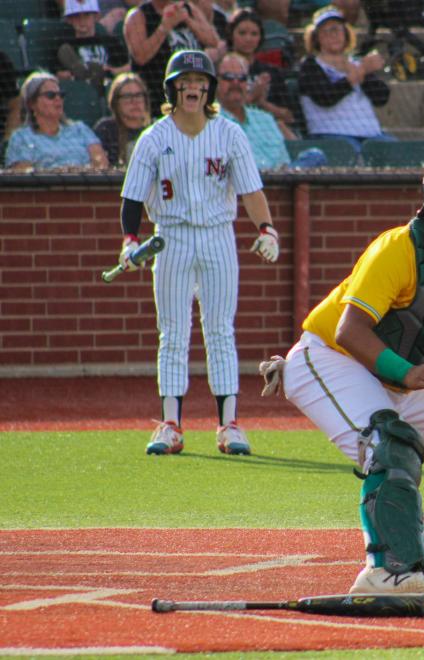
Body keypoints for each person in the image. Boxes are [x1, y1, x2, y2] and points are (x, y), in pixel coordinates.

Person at [260, 146, 424, 597]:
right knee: (392, 441)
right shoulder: (400, 246)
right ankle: (386, 570)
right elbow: (350, 330)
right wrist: (407, 374)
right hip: (329, 359)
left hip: (401, 377)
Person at [116, 50, 280, 455]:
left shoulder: (229, 133)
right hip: (170, 235)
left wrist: (267, 228)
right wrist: (130, 240)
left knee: (220, 329)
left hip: (217, 233)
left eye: (199, 80)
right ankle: (170, 425)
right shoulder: (154, 137)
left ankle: (229, 425)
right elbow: (133, 198)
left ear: (209, 88)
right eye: (184, 81)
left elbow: (250, 190)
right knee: (172, 332)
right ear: (172, 87)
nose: (192, 87)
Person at [298, 8, 394, 154]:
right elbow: (325, 98)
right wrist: (360, 72)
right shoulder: (309, 66)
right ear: (316, 38)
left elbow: (381, 97)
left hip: (371, 135)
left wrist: (362, 72)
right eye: (326, 31)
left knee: (397, 151)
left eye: (337, 30)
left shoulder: (356, 62)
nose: (333, 35)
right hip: (330, 134)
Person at [124, 0, 225, 117]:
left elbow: (213, 40)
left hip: (194, 96)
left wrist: (187, 19)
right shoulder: (138, 16)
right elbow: (140, 56)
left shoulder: (189, 9)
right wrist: (165, 26)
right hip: (157, 100)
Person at [4, 71, 109, 171]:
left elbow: (101, 164)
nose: (58, 99)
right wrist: (62, 174)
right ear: (32, 103)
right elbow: (23, 177)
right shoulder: (21, 138)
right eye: (51, 95)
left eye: (61, 95)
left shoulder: (80, 129)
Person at [226, 9, 298, 134]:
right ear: (231, 35)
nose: (248, 39)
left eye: (254, 34)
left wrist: (262, 103)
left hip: (267, 131)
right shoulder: (222, 70)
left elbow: (289, 116)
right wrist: (252, 96)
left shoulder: (270, 72)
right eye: (242, 33)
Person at [216, 52, 292, 169]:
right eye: (228, 77)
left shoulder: (266, 119)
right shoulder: (206, 121)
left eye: (242, 78)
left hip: (278, 183)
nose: (235, 83)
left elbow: (284, 163)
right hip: (237, 184)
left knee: (314, 156)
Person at [57, 0, 131, 94]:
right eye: (77, 16)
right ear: (69, 20)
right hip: (81, 91)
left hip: (110, 87)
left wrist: (112, 71)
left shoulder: (110, 42)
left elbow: (129, 66)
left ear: (96, 17)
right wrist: (70, 75)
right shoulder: (65, 45)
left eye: (87, 15)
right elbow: (58, 74)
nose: (82, 21)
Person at [94, 72, 152, 166]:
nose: (134, 101)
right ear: (116, 102)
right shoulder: (105, 129)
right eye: (127, 96)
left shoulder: (155, 129)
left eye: (138, 95)